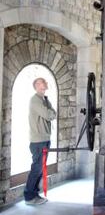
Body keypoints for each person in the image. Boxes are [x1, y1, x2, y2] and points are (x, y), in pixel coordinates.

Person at [24, 77, 57, 205]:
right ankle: (29, 197)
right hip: (38, 141)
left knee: (40, 169)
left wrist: (50, 112)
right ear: (36, 85)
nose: (44, 85)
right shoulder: (35, 100)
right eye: (41, 83)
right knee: (36, 168)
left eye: (44, 83)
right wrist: (50, 113)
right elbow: (49, 115)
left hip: (45, 139)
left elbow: (53, 113)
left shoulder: (45, 99)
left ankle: (34, 195)